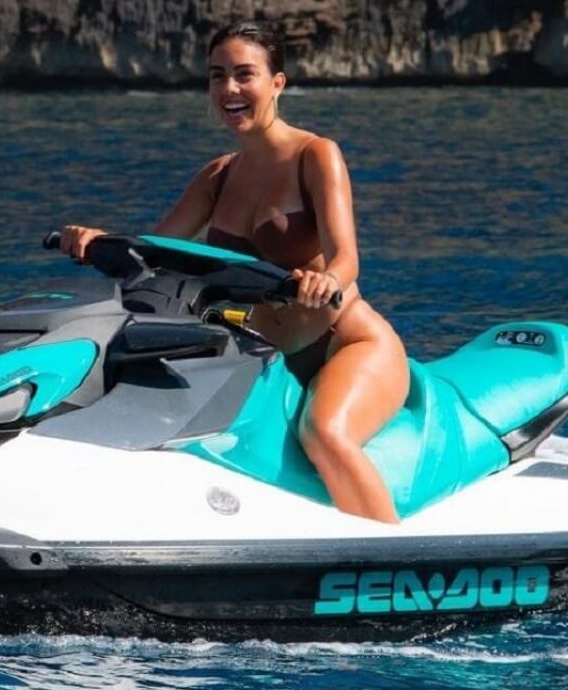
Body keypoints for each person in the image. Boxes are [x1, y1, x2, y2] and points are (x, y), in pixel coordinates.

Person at [58, 20, 409, 524]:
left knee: (324, 434)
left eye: (245, 74)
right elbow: (155, 255)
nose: (229, 89)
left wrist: (327, 281)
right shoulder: (217, 177)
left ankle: (389, 556)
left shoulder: (315, 155)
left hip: (346, 343)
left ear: (277, 83)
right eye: (217, 75)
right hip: (265, 358)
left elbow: (346, 259)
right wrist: (95, 242)